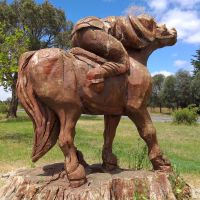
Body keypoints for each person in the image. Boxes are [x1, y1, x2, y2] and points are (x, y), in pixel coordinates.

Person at [71, 15, 156, 86]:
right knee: (124, 61)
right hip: (92, 31)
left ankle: (79, 53)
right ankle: (97, 74)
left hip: (75, 36)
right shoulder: (128, 26)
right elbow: (137, 44)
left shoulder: (116, 20)